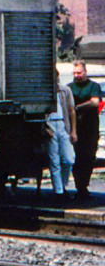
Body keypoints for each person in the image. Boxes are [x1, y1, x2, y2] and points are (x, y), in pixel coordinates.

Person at [68, 61, 102, 200]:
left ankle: (84, 186)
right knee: (76, 159)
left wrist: (78, 107)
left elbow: (95, 102)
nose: (77, 76)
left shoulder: (93, 86)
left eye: (79, 73)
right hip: (75, 128)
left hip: (90, 129)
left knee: (88, 158)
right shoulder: (70, 87)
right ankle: (79, 187)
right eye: (75, 73)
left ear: (85, 72)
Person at [47, 70, 77, 199]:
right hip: (50, 125)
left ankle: (63, 185)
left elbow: (72, 111)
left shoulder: (65, 91)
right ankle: (58, 191)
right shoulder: (44, 92)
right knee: (54, 160)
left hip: (63, 124)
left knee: (69, 159)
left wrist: (73, 130)